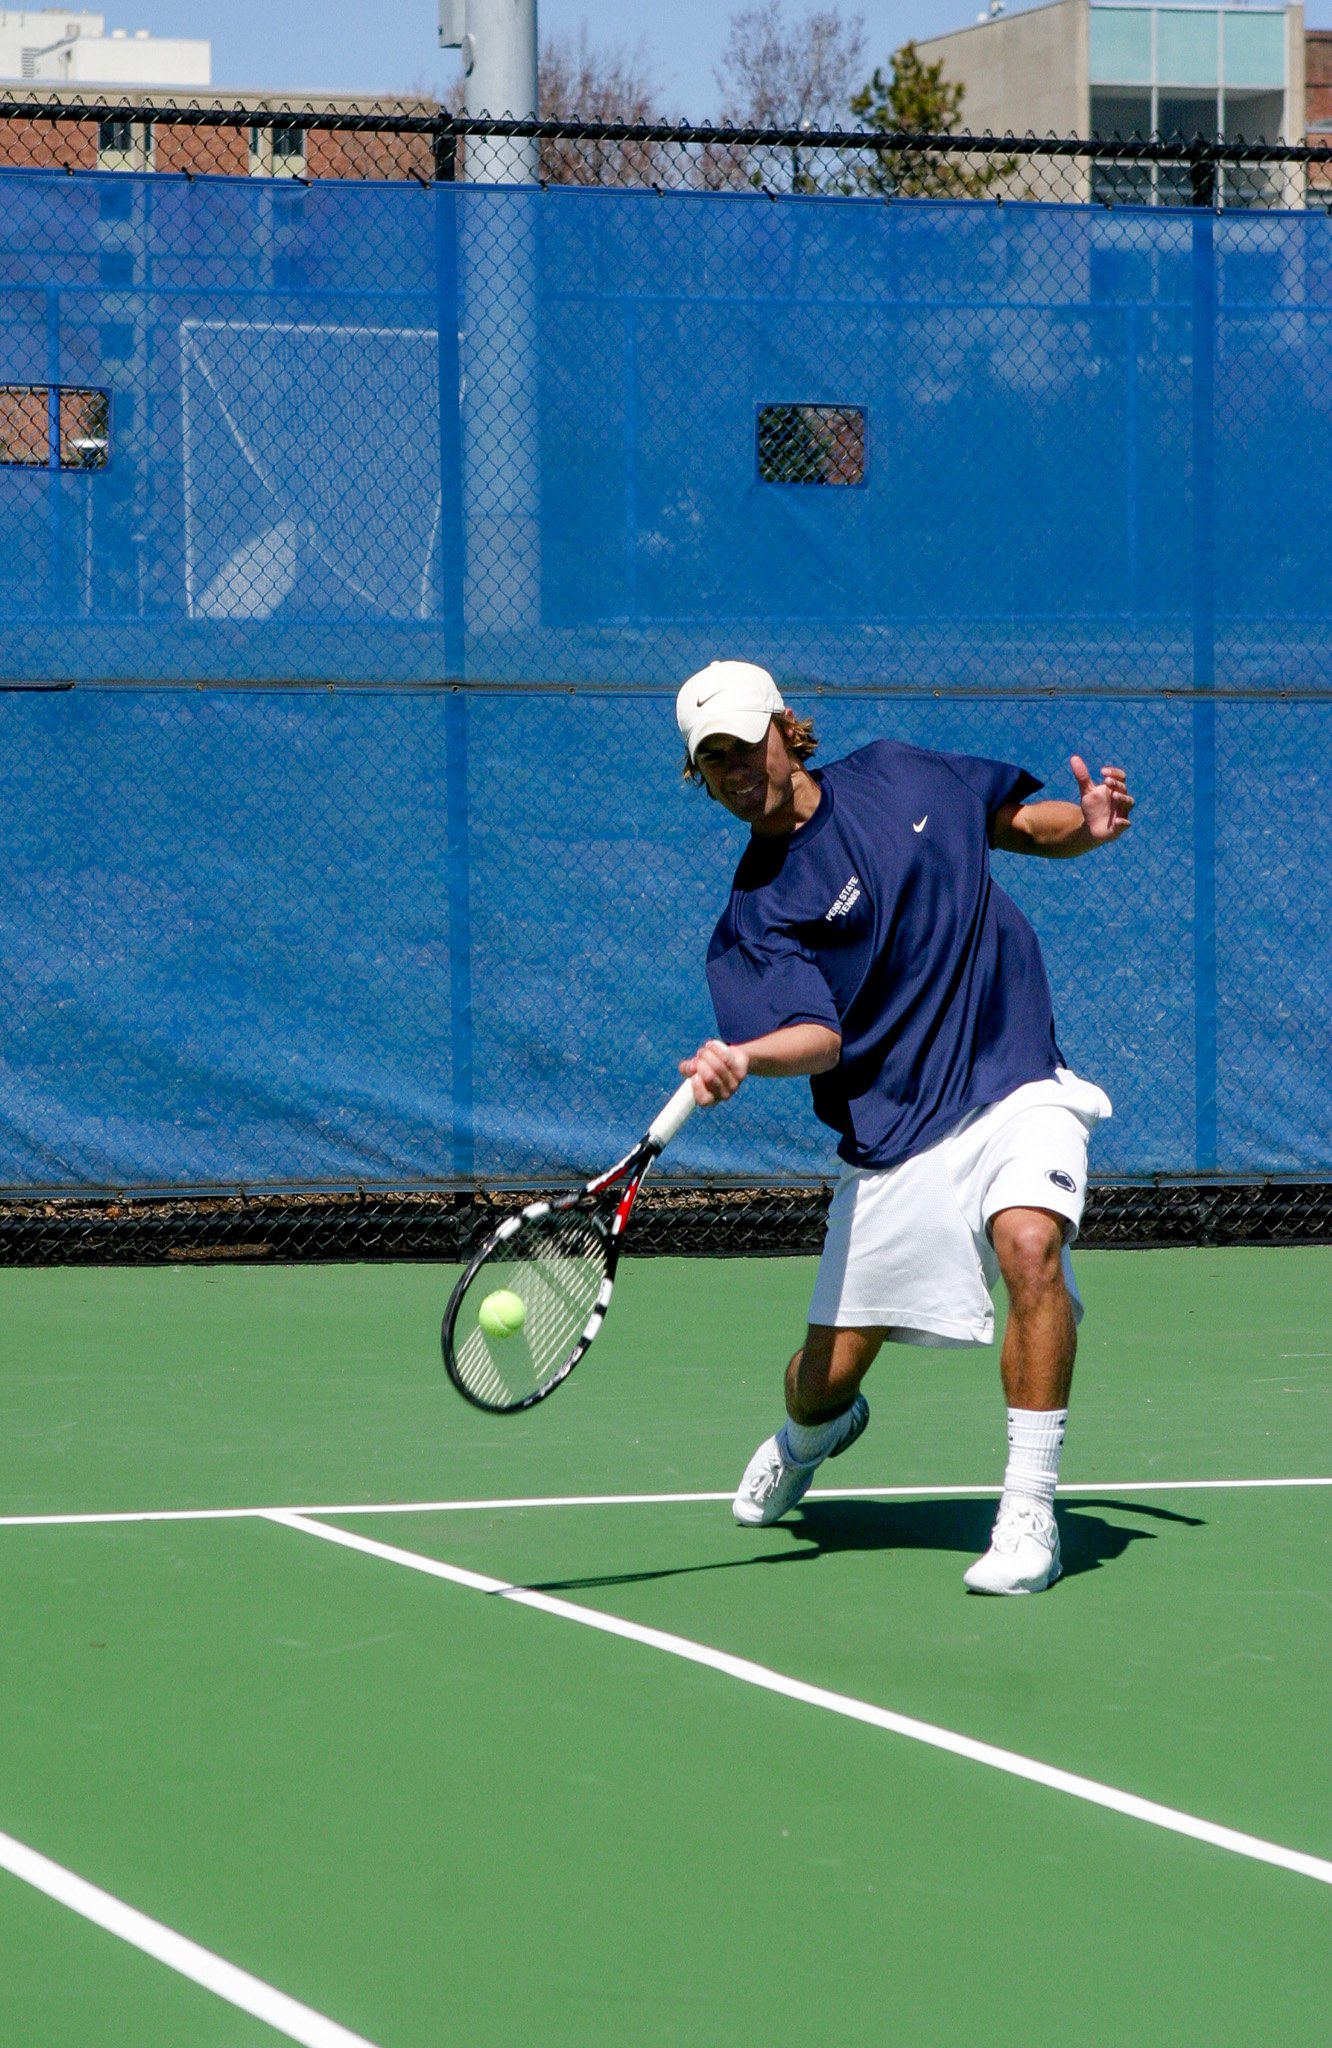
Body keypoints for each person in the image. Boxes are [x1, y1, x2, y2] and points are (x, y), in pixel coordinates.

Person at [675, 659, 1134, 1595]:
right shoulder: (755, 918)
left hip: (1013, 1076)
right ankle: (811, 1434)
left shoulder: (901, 774)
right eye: (710, 761)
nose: (732, 773)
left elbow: (1013, 825)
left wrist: (1084, 830)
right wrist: (749, 1056)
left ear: (782, 728)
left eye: (740, 745)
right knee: (825, 1376)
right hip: (896, 1138)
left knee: (1030, 1248)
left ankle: (1029, 1514)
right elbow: (817, 1036)